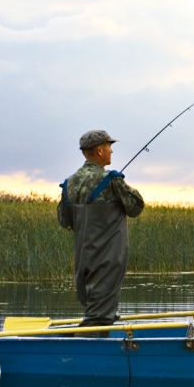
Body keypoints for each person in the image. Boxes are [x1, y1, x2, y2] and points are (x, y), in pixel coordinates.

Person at [57, 130, 144, 332]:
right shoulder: (112, 180)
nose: (111, 151)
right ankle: (80, 351)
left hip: (83, 258)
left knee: (96, 308)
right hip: (108, 257)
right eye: (109, 147)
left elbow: (64, 220)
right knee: (100, 316)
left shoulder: (69, 184)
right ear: (99, 150)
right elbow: (136, 207)